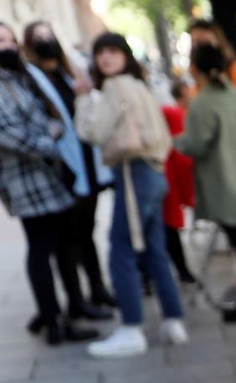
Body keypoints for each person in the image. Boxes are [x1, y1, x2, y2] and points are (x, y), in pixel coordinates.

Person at [0, 18, 98, 344]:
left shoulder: (15, 76)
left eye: (10, 39)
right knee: (42, 247)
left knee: (64, 244)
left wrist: (52, 132)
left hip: (47, 174)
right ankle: (53, 322)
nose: (7, 46)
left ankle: (64, 309)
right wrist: (50, 143)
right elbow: (5, 132)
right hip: (25, 179)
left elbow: (46, 117)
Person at [74, 32, 187, 357]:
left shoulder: (115, 87)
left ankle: (132, 327)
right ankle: (172, 319)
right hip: (153, 172)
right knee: (155, 250)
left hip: (133, 173)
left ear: (124, 54)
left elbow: (92, 132)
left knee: (121, 250)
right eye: (101, 53)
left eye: (112, 51)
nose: (106, 58)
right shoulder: (141, 86)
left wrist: (82, 99)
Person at [175, 43, 236, 322]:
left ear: (195, 69)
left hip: (229, 183)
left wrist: (176, 141)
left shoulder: (204, 102)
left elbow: (195, 144)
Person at [22, 20, 116, 312]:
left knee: (87, 229)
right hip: (64, 167)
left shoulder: (69, 74)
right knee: (68, 237)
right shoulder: (33, 80)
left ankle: (97, 288)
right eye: (38, 37)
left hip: (88, 160)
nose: (45, 40)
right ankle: (76, 299)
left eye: (49, 34)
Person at [155, 76, 198, 286]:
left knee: (166, 227)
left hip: (171, 177)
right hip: (169, 177)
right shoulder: (174, 114)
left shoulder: (179, 114)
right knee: (167, 226)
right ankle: (180, 271)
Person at [186, 20, 236, 104]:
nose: (200, 49)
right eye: (195, 43)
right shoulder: (197, 84)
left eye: (205, 43)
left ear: (218, 43)